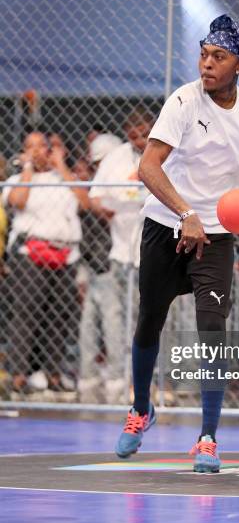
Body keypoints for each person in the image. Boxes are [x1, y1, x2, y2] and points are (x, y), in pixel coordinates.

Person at [115, 14, 239, 473]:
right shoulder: (183, 101)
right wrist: (185, 212)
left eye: (218, 57)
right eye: (204, 54)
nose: (207, 64)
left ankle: (208, 436)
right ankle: (140, 410)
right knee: (150, 319)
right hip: (166, 226)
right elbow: (149, 167)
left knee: (212, 330)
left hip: (217, 234)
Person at [3, 131, 88, 393]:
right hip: (31, 252)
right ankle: (18, 375)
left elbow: (84, 203)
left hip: (65, 253)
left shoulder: (62, 178)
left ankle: (53, 374)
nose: (38, 151)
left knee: (60, 315)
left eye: (43, 146)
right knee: (27, 313)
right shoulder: (17, 179)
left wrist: (60, 165)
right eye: (31, 147)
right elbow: (17, 202)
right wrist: (28, 166)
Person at [88, 112, 154, 404]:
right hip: (121, 251)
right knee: (118, 321)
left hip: (155, 252)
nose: (139, 139)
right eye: (134, 134)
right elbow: (95, 195)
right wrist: (107, 209)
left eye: (144, 133)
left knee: (152, 320)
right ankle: (119, 380)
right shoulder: (116, 157)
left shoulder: (169, 151)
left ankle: (153, 384)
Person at [76, 133, 128, 404]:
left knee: (113, 321)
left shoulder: (118, 181)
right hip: (92, 261)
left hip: (112, 261)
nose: (98, 168)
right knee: (91, 322)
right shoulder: (99, 184)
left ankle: (118, 379)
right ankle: (89, 377)